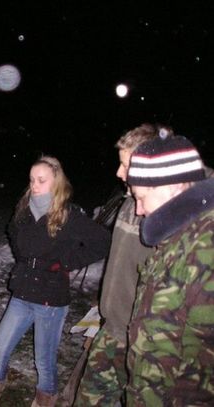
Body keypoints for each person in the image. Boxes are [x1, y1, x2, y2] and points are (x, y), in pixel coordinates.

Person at [0, 156, 110, 407]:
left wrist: (67, 261)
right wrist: (24, 259)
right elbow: (11, 231)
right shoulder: (24, 210)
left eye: (41, 180)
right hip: (22, 292)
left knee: (44, 362)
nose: (34, 185)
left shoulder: (68, 215)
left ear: (55, 182)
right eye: (32, 180)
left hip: (51, 298)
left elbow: (102, 242)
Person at [73, 124, 159, 405]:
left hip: (142, 342)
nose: (119, 173)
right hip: (110, 330)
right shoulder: (127, 204)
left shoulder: (167, 218)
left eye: (126, 165)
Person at [125, 134, 213, 405]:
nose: (138, 210)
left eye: (141, 197)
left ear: (173, 186)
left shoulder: (205, 248)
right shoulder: (178, 239)